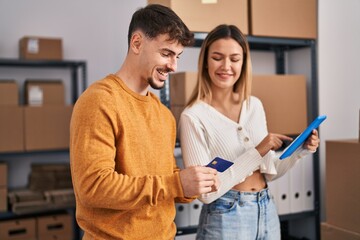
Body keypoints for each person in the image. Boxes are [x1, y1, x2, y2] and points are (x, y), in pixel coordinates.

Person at [69, 4, 219, 240]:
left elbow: (163, 180)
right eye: (166, 53)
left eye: (177, 56)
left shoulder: (164, 115)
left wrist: (192, 183)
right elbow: (94, 188)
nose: (173, 66)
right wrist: (176, 184)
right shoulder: (99, 101)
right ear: (137, 43)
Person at [179, 24, 320, 240]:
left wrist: (300, 150)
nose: (226, 66)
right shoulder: (193, 116)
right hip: (225, 216)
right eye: (217, 57)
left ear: (243, 63)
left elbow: (270, 171)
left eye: (234, 59)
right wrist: (259, 150)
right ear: (206, 62)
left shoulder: (254, 105)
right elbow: (206, 193)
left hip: (266, 209)